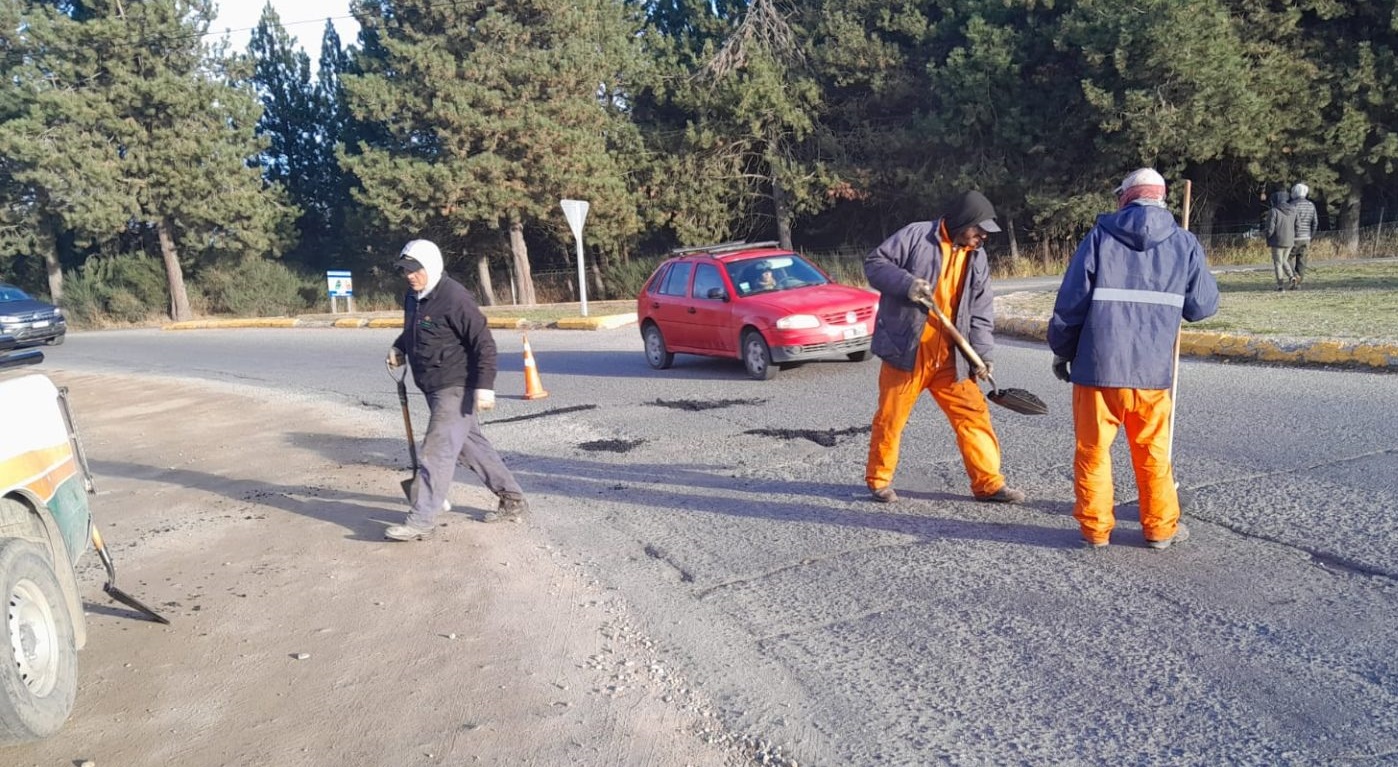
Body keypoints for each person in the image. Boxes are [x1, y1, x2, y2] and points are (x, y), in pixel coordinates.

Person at [1048, 168, 1219, 550]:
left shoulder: (1098, 238)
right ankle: (1160, 530)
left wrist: (1062, 350)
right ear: (1161, 199)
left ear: (1124, 198)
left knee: (1093, 451)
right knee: (1153, 452)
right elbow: (1203, 306)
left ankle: (1095, 531)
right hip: (1152, 373)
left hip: (1097, 370)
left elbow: (1071, 303)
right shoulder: (1185, 243)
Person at [863, 190, 1026, 505]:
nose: (982, 237)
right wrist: (907, 283)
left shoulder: (976, 257)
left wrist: (982, 355)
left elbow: (981, 310)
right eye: (978, 229)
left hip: (951, 356)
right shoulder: (916, 236)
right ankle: (879, 481)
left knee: (973, 414)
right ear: (962, 221)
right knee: (891, 417)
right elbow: (875, 263)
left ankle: (988, 484)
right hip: (906, 351)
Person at [384, 239, 528, 541]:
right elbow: (415, 329)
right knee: (469, 445)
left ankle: (421, 519)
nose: (410, 276)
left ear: (431, 266)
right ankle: (513, 498)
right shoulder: (413, 298)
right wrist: (400, 347)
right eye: (405, 270)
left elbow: (483, 343)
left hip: (456, 385)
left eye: (415, 270)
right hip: (432, 386)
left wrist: (485, 387)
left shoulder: (454, 297)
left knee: (436, 449)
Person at [1264, 190, 1297, 291]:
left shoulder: (1274, 211)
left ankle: (1280, 285)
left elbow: (1270, 228)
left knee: (1278, 262)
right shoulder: (1293, 210)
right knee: (1284, 260)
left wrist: (1267, 236)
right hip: (1290, 240)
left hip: (1277, 240)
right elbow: (1297, 224)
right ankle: (1292, 277)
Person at [1289, 183, 1318, 288]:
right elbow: (1315, 223)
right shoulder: (1311, 205)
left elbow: (1290, 221)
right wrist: (1311, 235)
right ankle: (1298, 283)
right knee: (1302, 261)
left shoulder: (1292, 205)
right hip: (1306, 237)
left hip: (1294, 237)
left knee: (1286, 258)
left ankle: (1294, 276)